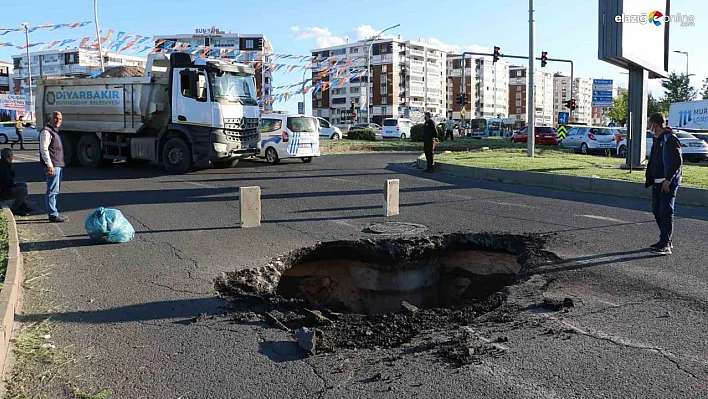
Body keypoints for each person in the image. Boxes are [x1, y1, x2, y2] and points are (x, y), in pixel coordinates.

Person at [645, 112, 682, 255]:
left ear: (654, 124)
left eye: (649, 124)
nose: (648, 126)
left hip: (667, 183)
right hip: (657, 182)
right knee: (657, 211)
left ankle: (666, 244)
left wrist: (668, 179)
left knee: (666, 212)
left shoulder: (670, 139)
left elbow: (677, 161)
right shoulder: (657, 138)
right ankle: (664, 240)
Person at [39, 111, 68, 223]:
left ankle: (54, 212)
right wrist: (49, 165)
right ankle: (52, 214)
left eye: (60, 119)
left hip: (58, 164)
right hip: (53, 165)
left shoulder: (54, 131)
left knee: (55, 190)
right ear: (51, 118)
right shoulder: (46, 131)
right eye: (56, 118)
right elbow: (44, 149)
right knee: (52, 190)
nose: (58, 121)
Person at [0, 148, 31, 216]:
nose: (13, 157)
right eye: (12, 155)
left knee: (23, 184)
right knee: (23, 190)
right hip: (3, 191)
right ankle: (15, 208)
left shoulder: (5, 163)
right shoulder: (4, 166)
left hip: (5, 187)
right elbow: (8, 181)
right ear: (9, 156)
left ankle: (22, 204)